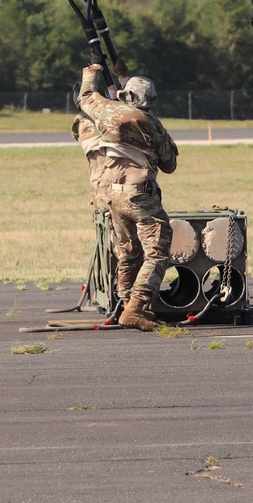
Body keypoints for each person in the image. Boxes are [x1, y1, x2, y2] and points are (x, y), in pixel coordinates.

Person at [72, 62, 178, 331]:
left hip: (110, 195)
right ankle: (136, 307)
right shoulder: (151, 123)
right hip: (138, 195)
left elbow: (84, 98)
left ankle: (123, 303)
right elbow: (169, 165)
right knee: (157, 252)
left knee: (128, 252)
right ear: (150, 100)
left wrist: (91, 73)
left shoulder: (106, 112)